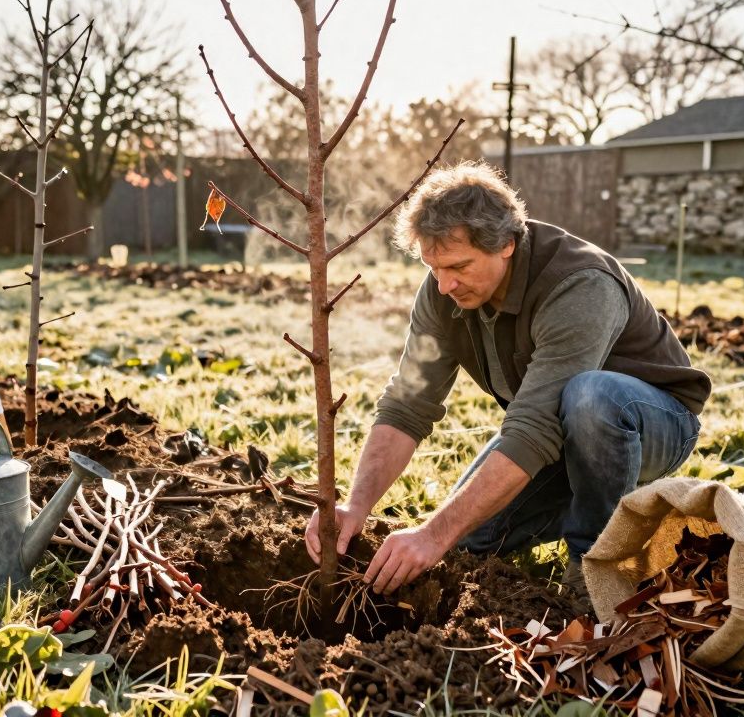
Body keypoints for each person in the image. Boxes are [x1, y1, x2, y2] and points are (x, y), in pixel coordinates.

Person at [304, 162, 711, 598]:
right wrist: (356, 505)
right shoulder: (443, 292)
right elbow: (407, 406)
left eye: (458, 266)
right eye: (433, 267)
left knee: (590, 398)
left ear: (506, 245)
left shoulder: (580, 284)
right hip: (556, 428)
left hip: (651, 422)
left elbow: (533, 427)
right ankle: (612, 503)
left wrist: (431, 534)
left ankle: (596, 565)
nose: (444, 285)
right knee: (468, 540)